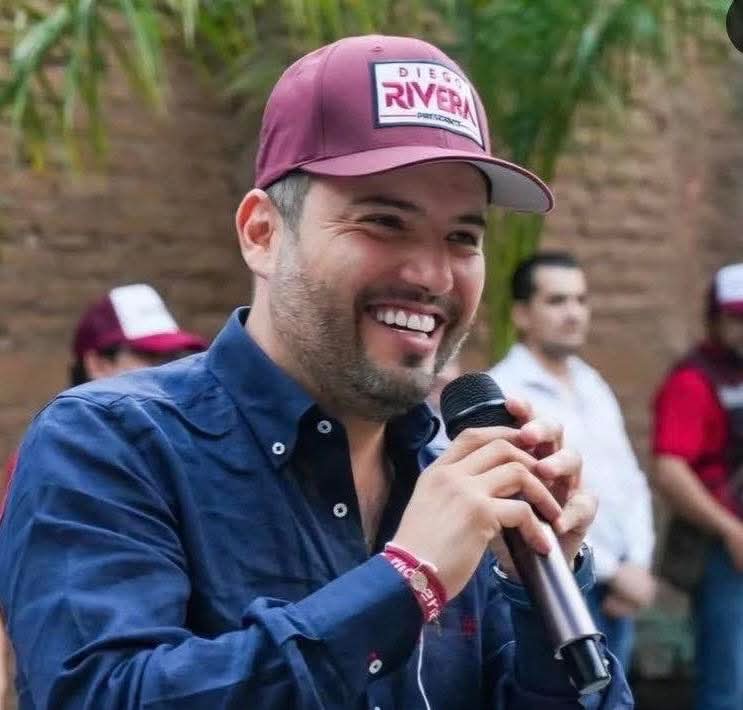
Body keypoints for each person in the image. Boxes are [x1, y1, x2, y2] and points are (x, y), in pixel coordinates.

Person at [0, 35, 631, 709]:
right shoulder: (109, 443)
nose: (432, 275)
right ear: (263, 234)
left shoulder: (457, 488)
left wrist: (542, 590)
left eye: (462, 238)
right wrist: (405, 582)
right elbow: (102, 695)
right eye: (384, 222)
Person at [489, 252, 656, 671]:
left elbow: (629, 481)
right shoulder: (505, 393)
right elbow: (526, 502)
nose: (574, 313)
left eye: (581, 300)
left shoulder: (592, 383)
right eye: (557, 301)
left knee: (615, 695)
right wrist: (613, 572)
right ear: (522, 314)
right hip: (557, 586)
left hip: (621, 588)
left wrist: (638, 562)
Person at [652, 263, 743, 710]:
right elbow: (670, 469)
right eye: (738, 318)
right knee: (729, 685)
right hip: (725, 553)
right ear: (716, 319)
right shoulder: (694, 380)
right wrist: (731, 530)